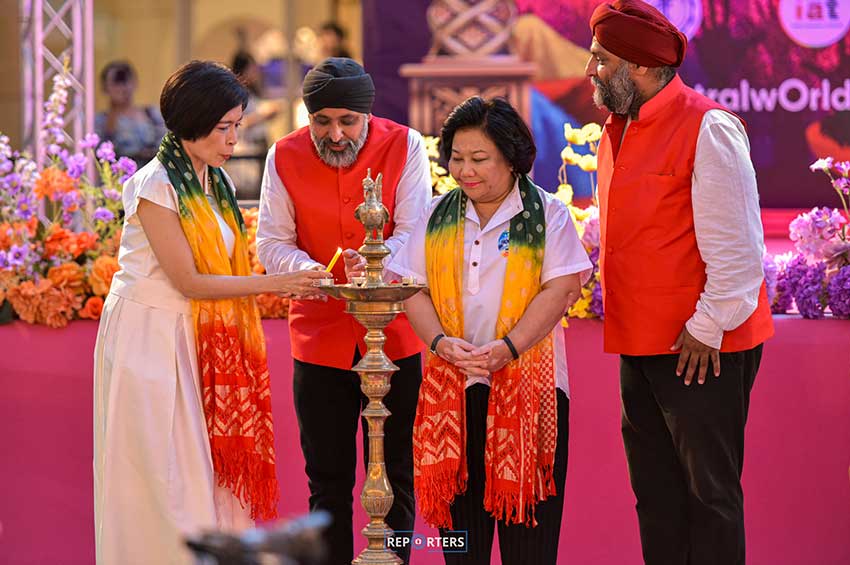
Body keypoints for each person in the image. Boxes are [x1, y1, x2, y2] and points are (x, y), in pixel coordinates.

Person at [93, 60, 330, 565]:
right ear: (192, 123)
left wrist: (303, 268)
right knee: (162, 478)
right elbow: (189, 282)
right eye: (224, 128)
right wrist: (278, 284)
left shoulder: (213, 182)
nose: (233, 140)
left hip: (197, 336)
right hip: (152, 338)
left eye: (237, 126)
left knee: (205, 478)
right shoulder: (156, 184)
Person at [585, 2, 775, 564]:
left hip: (702, 346)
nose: (591, 71)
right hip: (640, 342)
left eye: (602, 59)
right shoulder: (618, 128)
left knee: (709, 498)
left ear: (641, 66)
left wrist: (706, 327)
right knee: (656, 498)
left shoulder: (708, 126)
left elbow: (740, 250)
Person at [389, 96, 591, 565]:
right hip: (454, 390)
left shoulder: (548, 214)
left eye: (479, 158)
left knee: (529, 545)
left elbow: (561, 289)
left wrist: (509, 348)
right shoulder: (436, 215)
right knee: (462, 545)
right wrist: (439, 343)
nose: (465, 171)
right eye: (457, 158)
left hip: (530, 393)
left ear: (512, 157)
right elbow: (411, 288)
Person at [256, 57, 430, 565]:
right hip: (318, 338)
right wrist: (314, 270)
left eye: (347, 122)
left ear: (367, 115)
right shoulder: (283, 155)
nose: (335, 135)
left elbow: (416, 231)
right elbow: (271, 242)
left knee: (397, 470)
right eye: (322, 122)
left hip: (396, 335)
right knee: (327, 480)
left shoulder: (405, 145)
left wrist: (376, 263)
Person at [95, 61, 167, 164]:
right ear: (105, 87)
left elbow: (166, 146)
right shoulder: (100, 121)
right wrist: (114, 111)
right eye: (116, 81)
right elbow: (99, 154)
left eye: (124, 79)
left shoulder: (152, 114)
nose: (122, 86)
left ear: (134, 82)